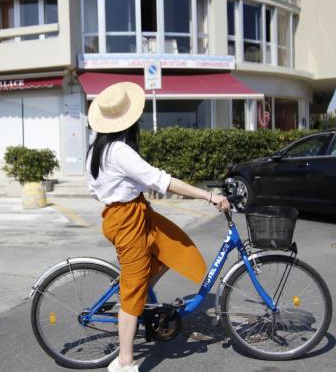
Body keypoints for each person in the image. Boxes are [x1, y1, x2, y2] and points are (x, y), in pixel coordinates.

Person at [86, 82, 230, 372]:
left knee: (175, 245)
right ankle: (124, 362)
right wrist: (208, 196)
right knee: (132, 292)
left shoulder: (98, 149)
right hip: (128, 221)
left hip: (135, 214)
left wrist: (129, 191)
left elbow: (101, 188)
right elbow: (160, 181)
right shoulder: (118, 151)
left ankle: (137, 289)